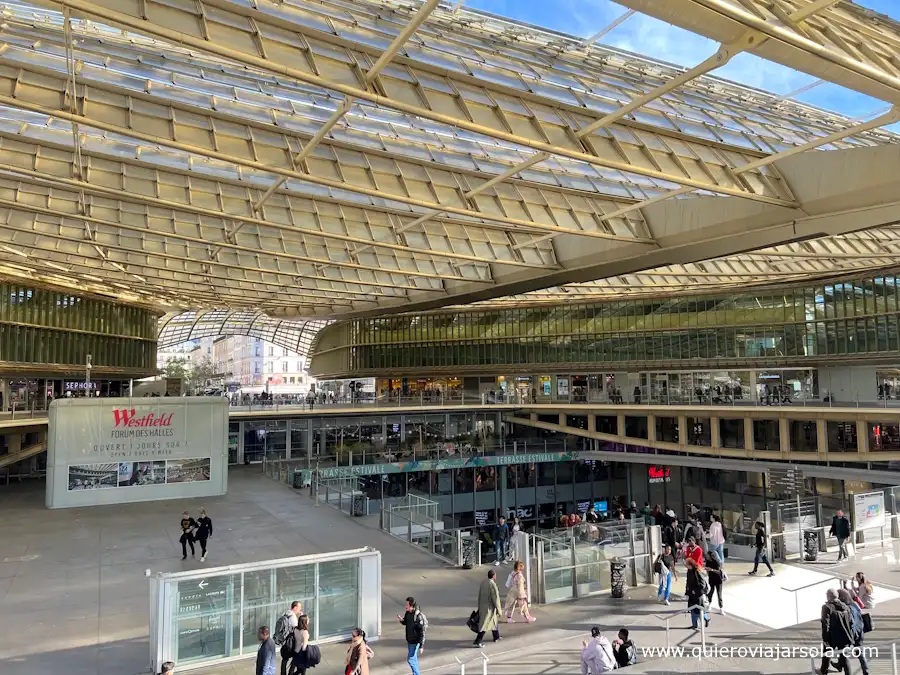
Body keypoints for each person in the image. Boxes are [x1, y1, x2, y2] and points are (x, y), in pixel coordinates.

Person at [818, 589, 853, 675]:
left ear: (828, 596)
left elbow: (825, 624)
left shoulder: (826, 607)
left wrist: (825, 639)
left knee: (827, 654)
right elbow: (850, 621)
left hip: (832, 637)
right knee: (844, 657)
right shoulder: (845, 606)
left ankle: (823, 671)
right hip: (845, 636)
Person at [837, 588, 868, 675]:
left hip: (850, 634)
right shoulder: (854, 604)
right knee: (860, 654)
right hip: (859, 631)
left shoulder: (844, 608)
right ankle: (866, 672)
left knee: (844, 653)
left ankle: (844, 670)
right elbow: (861, 614)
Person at [474, 569, 503, 647]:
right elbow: (496, 598)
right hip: (489, 608)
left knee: (493, 622)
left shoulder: (483, 582)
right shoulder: (492, 585)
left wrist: (479, 606)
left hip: (483, 606)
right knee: (485, 624)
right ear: (493, 576)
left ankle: (496, 636)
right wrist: (499, 610)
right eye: (495, 575)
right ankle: (478, 640)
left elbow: (479, 595)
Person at [398, 597, 427, 674]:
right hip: (409, 640)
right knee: (414, 659)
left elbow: (422, 632)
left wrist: (421, 645)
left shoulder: (418, 617)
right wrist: (402, 621)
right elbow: (406, 622)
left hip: (415, 641)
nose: (405, 606)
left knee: (410, 659)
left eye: (407, 605)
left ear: (411, 606)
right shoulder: (408, 613)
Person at [275, 601, 303, 675]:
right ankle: (293, 672)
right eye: (299, 608)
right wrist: (300, 618)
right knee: (296, 657)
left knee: (285, 659)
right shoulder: (293, 618)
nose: (300, 610)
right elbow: (297, 630)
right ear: (295, 607)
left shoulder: (286, 613)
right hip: (291, 642)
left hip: (284, 642)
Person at [684, 558, 710, 630]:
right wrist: (687, 592)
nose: (686, 566)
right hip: (691, 594)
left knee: (698, 610)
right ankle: (695, 624)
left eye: (686, 564)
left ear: (690, 565)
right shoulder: (689, 571)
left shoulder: (697, 572)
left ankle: (705, 618)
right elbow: (688, 582)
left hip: (698, 595)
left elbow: (702, 584)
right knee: (693, 609)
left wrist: (695, 591)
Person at [705, 549, 724, 615]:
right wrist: (708, 572)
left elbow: (719, 571)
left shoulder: (716, 562)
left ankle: (721, 608)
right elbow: (707, 570)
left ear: (710, 556)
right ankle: (709, 605)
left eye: (707, 555)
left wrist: (711, 570)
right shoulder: (707, 562)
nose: (706, 556)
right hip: (711, 579)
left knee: (719, 594)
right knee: (710, 593)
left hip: (718, 580)